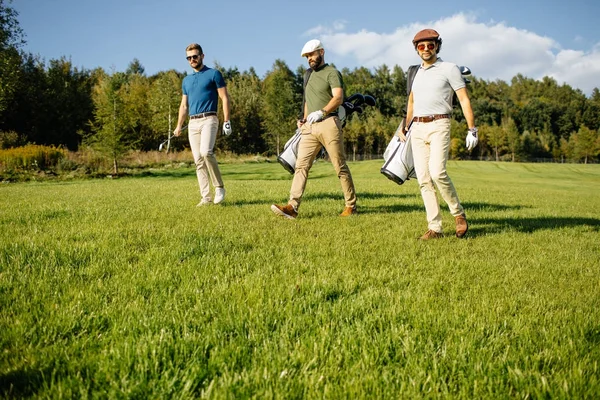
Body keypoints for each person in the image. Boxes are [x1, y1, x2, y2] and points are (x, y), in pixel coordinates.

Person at [402, 29, 478, 239]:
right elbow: (412, 102)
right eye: (421, 46)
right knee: (424, 179)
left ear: (437, 46)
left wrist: (472, 129)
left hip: (439, 124)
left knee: (437, 173)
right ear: (417, 50)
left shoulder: (449, 68)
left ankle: (458, 213)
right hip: (417, 128)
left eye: (430, 45)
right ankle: (435, 228)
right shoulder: (416, 73)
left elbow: (463, 99)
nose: (426, 49)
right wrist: (405, 127)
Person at [271, 39, 357, 219]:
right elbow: (308, 102)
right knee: (301, 166)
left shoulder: (331, 72)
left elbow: (338, 97)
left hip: (329, 123)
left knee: (339, 166)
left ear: (322, 52)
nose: (310, 58)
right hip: (310, 128)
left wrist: (322, 111)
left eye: (312, 54)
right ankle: (292, 207)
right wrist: (304, 119)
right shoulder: (308, 75)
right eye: (307, 56)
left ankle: (351, 206)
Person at [174, 43, 232, 206]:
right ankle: (206, 197)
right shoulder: (186, 80)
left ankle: (219, 187)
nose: (192, 59)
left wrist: (227, 120)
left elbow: (224, 98)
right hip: (193, 122)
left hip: (209, 118)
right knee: (198, 159)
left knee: (206, 152)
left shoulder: (214, 74)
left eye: (195, 56)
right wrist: (179, 125)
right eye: (189, 58)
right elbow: (184, 105)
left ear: (202, 56)